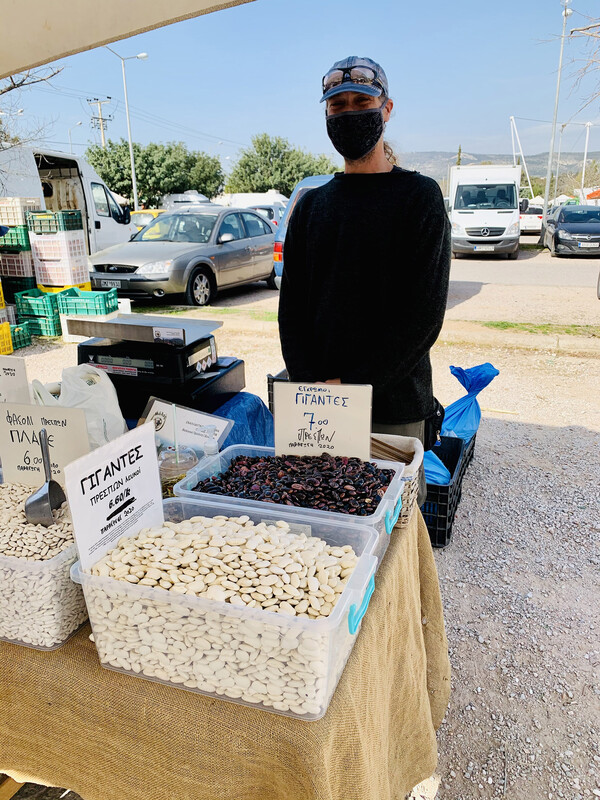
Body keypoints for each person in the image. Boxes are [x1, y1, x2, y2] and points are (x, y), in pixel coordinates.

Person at [278, 56, 451, 504]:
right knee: (320, 529)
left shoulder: (420, 199)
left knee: (395, 537)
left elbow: (423, 318)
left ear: (386, 109)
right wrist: (310, 383)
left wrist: (350, 384)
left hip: (394, 408)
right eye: (338, 106)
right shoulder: (312, 207)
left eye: (362, 101)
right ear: (326, 115)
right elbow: (292, 311)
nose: (350, 112)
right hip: (318, 408)